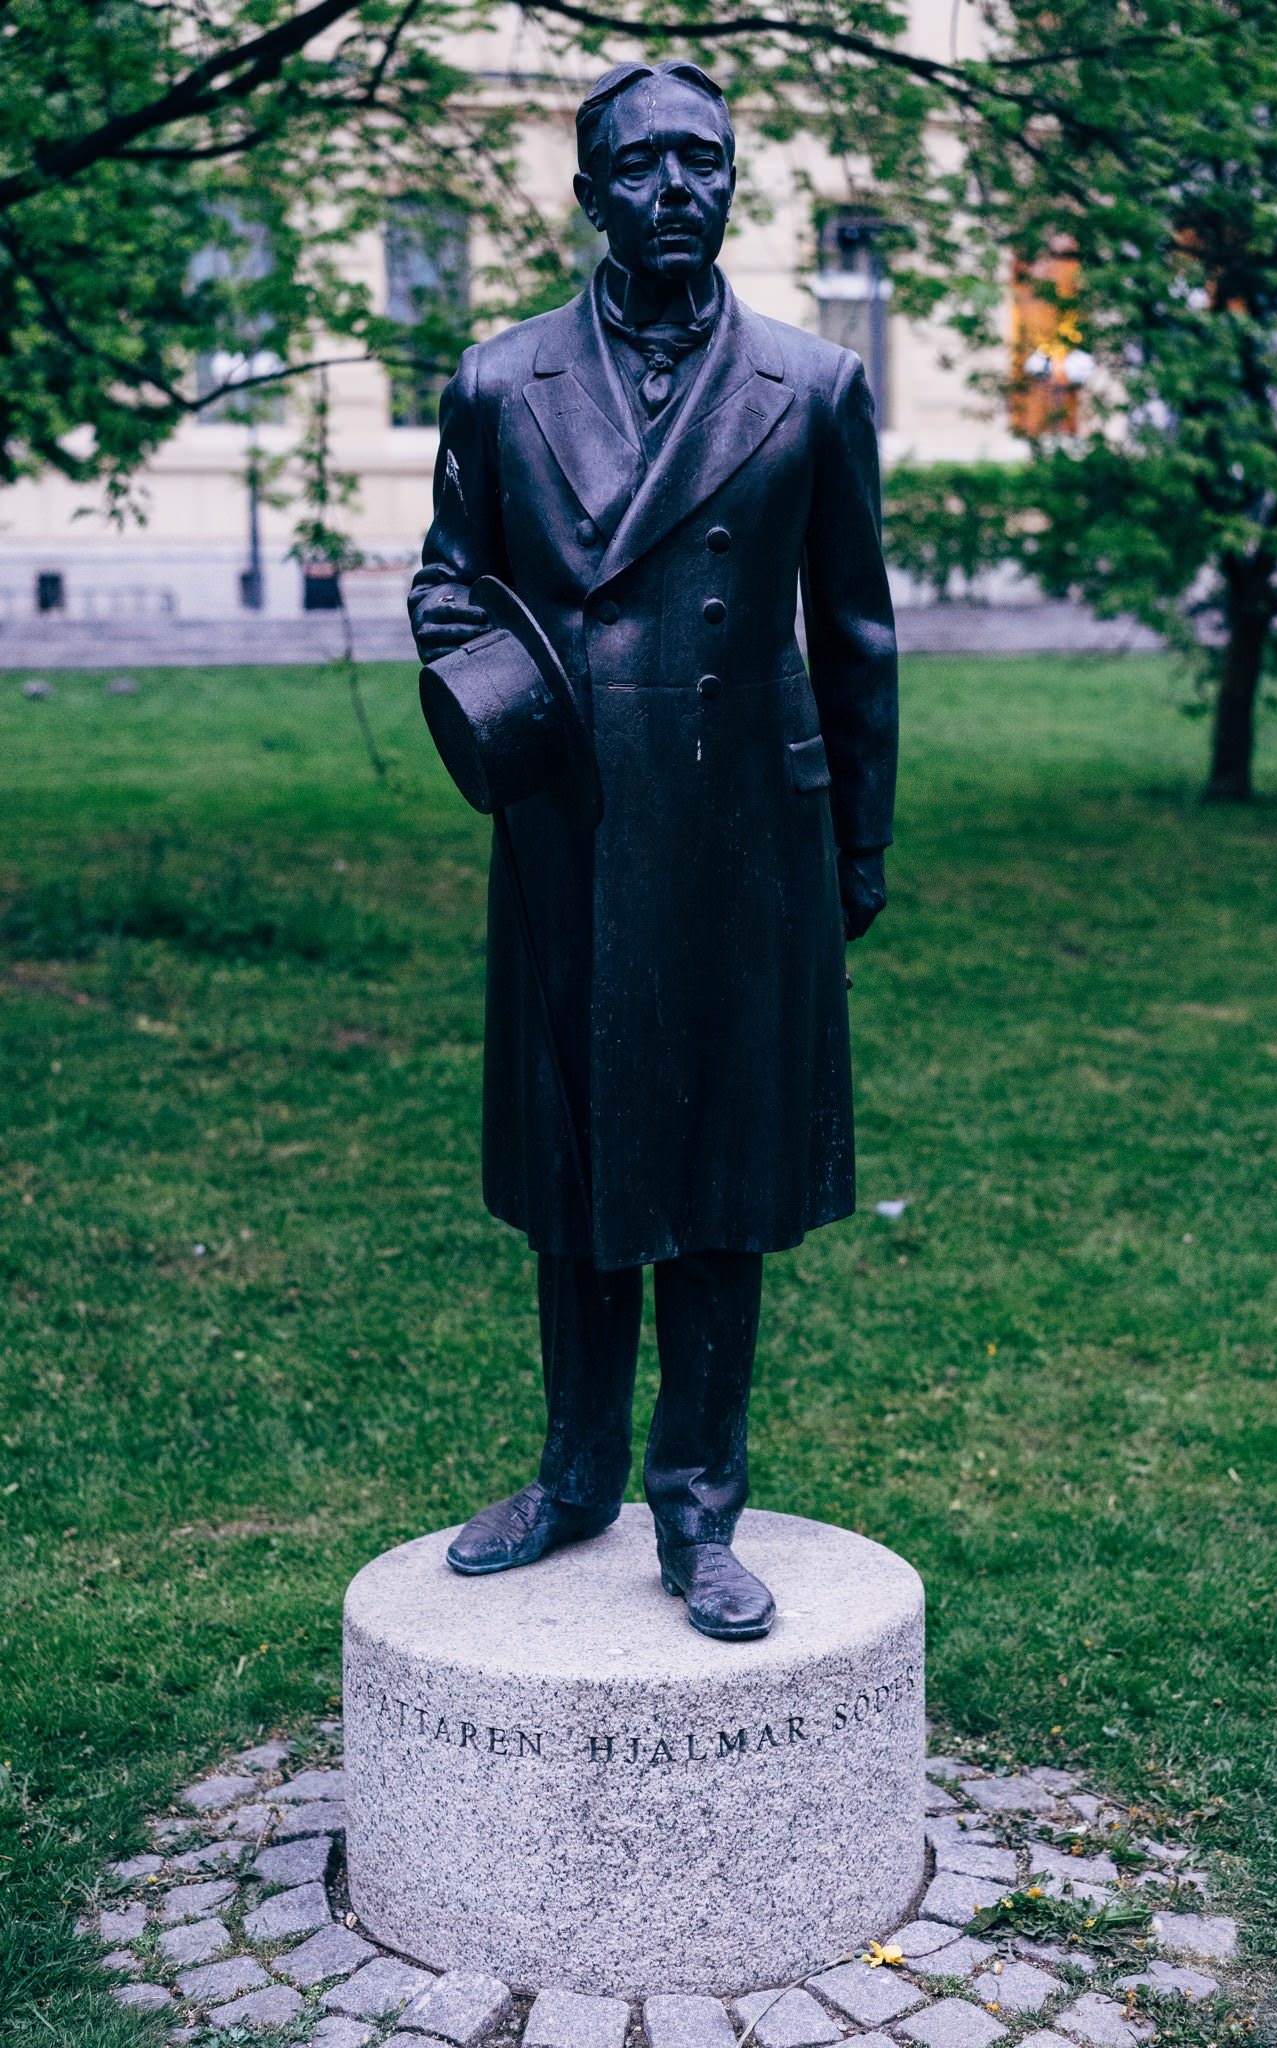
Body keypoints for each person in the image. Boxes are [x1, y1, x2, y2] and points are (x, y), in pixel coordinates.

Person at [409, 59, 898, 1640]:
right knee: (577, 1162)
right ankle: (571, 1477)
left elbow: (856, 628)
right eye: (641, 164)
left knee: (720, 1164)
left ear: (733, 182)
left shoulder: (811, 385)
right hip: (570, 824)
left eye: (704, 159)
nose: (675, 187)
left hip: (745, 831)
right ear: (588, 192)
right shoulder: (500, 383)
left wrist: (859, 844)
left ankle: (699, 1504)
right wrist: (496, 703)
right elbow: (448, 583)